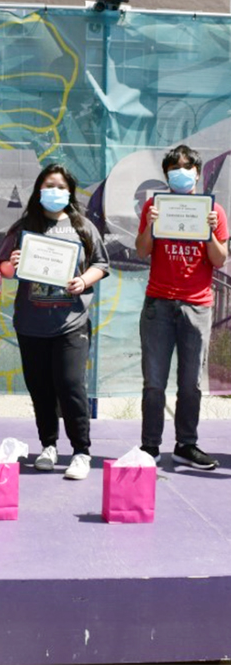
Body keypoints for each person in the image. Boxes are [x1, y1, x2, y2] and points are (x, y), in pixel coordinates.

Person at [0, 164, 109, 480]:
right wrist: (11, 264)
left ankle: (81, 451)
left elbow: (102, 263)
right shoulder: (24, 227)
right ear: (38, 190)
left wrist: (84, 281)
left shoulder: (83, 226)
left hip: (71, 322)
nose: (55, 191)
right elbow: (4, 268)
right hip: (31, 323)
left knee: (71, 386)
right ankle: (48, 445)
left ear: (70, 192)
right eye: (49, 185)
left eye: (61, 186)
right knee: (41, 388)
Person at [135, 144, 228, 469]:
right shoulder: (154, 205)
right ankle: (149, 447)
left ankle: (186, 445)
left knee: (192, 382)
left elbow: (219, 259)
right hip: (158, 303)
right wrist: (151, 225)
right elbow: (142, 250)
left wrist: (207, 231)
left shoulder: (214, 212)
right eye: (174, 167)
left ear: (198, 173)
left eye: (187, 167)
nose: (181, 172)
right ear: (166, 174)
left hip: (197, 305)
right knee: (154, 381)